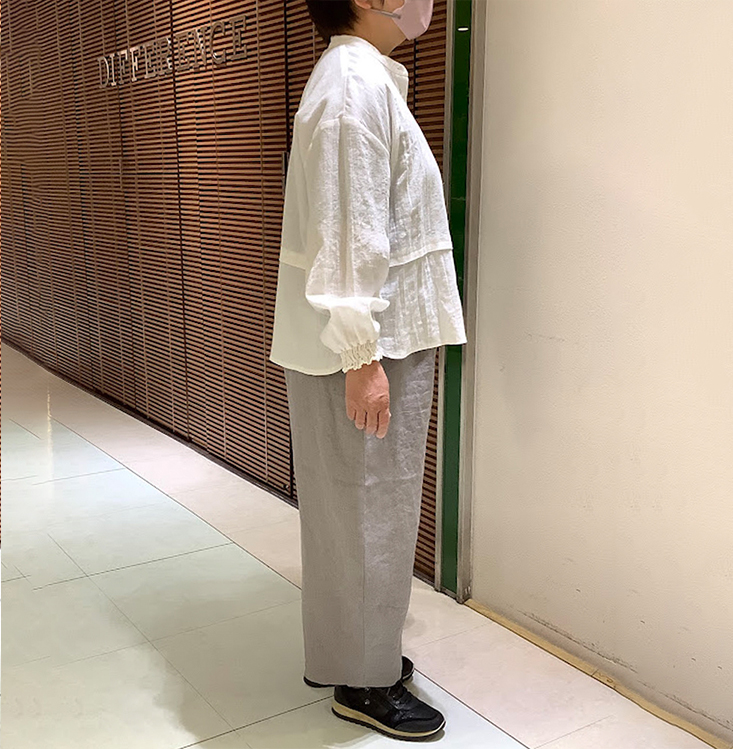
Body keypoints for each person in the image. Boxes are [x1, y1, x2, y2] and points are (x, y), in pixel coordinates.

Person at [269, 0, 467, 740]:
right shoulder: (354, 84)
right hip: (366, 345)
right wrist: (361, 357)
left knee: (359, 509)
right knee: (366, 510)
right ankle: (362, 680)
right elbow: (349, 229)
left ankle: (358, 652)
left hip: (372, 340)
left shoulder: (360, 76)